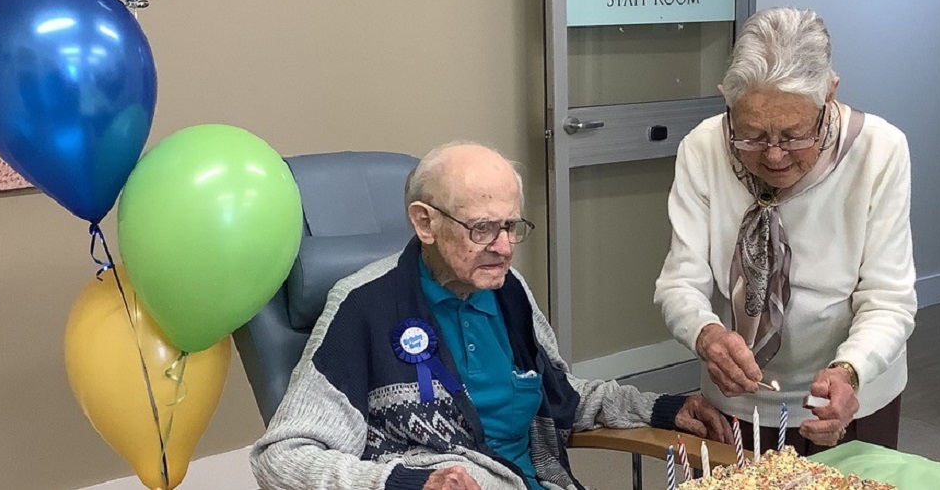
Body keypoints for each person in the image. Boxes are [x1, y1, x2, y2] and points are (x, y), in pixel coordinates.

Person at [252, 142, 731, 490]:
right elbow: (282, 457)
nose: (503, 248)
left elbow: (559, 397)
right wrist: (408, 483)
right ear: (424, 222)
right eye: (482, 229)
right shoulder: (364, 305)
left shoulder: (507, 291)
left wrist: (663, 409)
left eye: (510, 226)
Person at [654, 7, 917, 456]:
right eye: (752, 135)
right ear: (727, 100)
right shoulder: (703, 147)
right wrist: (707, 335)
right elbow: (679, 284)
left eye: (795, 135)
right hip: (736, 400)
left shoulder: (880, 150)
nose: (774, 155)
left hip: (849, 397)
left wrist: (849, 371)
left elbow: (889, 299)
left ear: (830, 94)